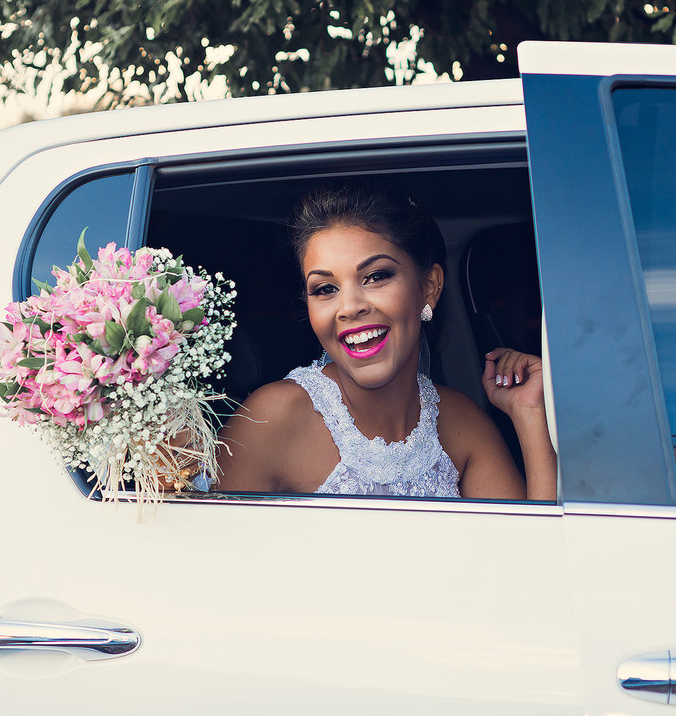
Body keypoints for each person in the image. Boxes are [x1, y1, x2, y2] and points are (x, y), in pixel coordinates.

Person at [215, 182, 557, 500]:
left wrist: (530, 413)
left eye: (376, 276)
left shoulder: (463, 422)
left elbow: (538, 545)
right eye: (325, 289)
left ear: (429, 287)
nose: (350, 307)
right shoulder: (272, 418)